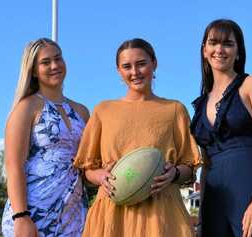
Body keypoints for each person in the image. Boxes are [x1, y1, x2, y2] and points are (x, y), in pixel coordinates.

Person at [74, 38, 201, 237]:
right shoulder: (103, 111)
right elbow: (86, 169)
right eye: (127, 66)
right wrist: (100, 176)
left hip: (161, 212)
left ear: (154, 63)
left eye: (141, 64)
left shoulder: (174, 109)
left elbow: (189, 166)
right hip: (113, 211)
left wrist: (174, 173)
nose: (135, 72)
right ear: (118, 71)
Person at [190, 19, 252, 237]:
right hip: (213, 201)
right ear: (204, 50)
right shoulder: (200, 105)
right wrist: (202, 215)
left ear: (238, 52)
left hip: (250, 192)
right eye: (213, 43)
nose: (219, 49)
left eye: (228, 44)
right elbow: (206, 163)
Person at [1, 38, 89, 237]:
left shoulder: (82, 111)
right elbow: (13, 165)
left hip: (73, 216)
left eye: (58, 59)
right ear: (33, 71)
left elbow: (89, 164)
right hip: (33, 214)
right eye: (45, 62)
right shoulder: (27, 107)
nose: (55, 65)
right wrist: (21, 216)